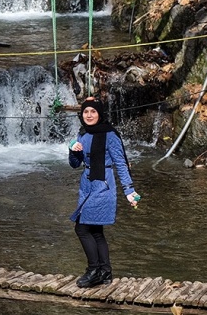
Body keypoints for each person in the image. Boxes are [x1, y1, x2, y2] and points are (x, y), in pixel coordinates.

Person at [68, 97, 140, 288]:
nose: (89, 115)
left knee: (82, 229)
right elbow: (75, 164)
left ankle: (93, 271)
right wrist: (73, 150)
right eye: (86, 112)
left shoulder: (110, 135)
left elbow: (121, 163)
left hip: (103, 185)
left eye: (93, 111)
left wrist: (129, 190)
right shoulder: (82, 133)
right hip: (86, 185)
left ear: (99, 114)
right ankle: (105, 272)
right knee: (96, 231)